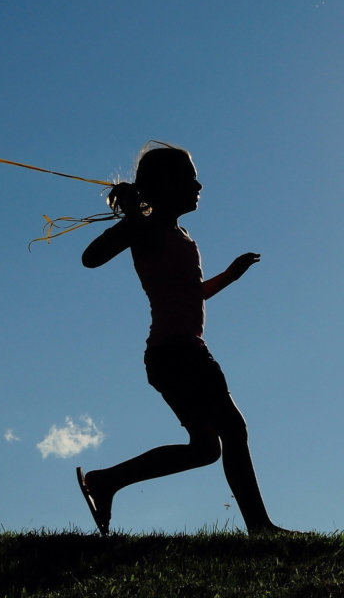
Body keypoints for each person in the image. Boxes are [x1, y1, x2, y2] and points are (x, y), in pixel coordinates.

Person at [76, 141, 288, 535]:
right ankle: (260, 527)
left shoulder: (181, 235)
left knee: (206, 449)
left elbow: (192, 294)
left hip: (170, 354)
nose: (198, 185)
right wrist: (134, 220)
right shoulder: (149, 228)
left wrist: (229, 275)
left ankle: (105, 481)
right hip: (179, 354)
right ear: (165, 185)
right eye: (189, 177)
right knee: (234, 430)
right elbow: (91, 257)